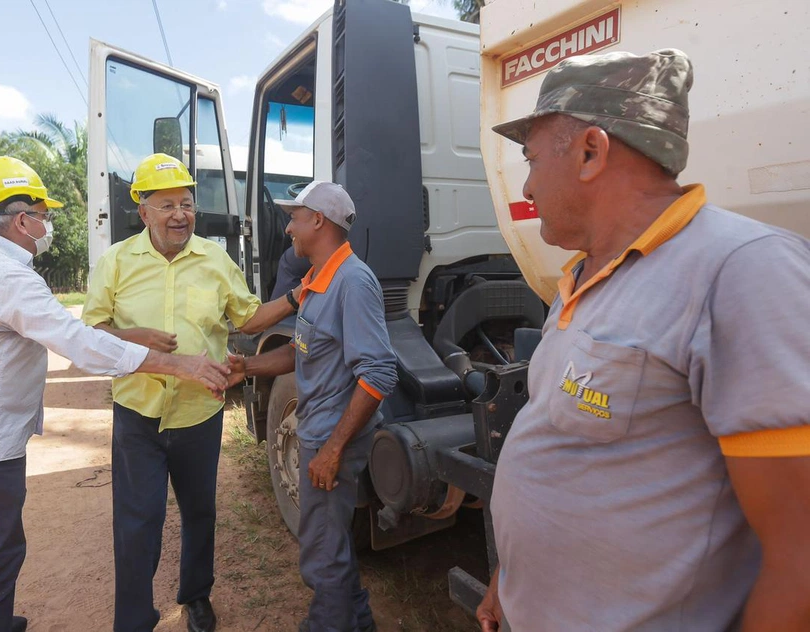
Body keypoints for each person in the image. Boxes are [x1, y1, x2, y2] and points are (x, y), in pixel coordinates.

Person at [476, 49, 810, 632]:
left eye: (529, 159)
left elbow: (799, 559)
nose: (525, 184)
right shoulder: (582, 275)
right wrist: (511, 579)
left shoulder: (742, 271)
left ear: (590, 152)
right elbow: (556, 437)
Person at [0, 156, 230, 632]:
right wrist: (178, 364)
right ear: (21, 219)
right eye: (44, 215)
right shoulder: (6, 275)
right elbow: (80, 340)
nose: (48, 225)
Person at [81, 153, 300, 632]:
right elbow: (92, 329)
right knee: (137, 524)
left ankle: (196, 596)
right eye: (166, 205)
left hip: (200, 412)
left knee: (200, 511)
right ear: (143, 212)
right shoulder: (116, 261)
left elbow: (246, 317)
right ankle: (134, 618)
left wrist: (295, 297)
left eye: (186, 203)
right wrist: (137, 336)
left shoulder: (215, 259)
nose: (180, 214)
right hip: (138, 413)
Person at [227, 181, 398, 632]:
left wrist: (332, 449)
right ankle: (357, 621)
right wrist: (247, 365)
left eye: (295, 218)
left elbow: (378, 373)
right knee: (330, 544)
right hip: (319, 433)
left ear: (318, 221)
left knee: (321, 557)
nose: (289, 230)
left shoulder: (352, 282)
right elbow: (301, 351)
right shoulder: (316, 280)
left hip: (329, 439)